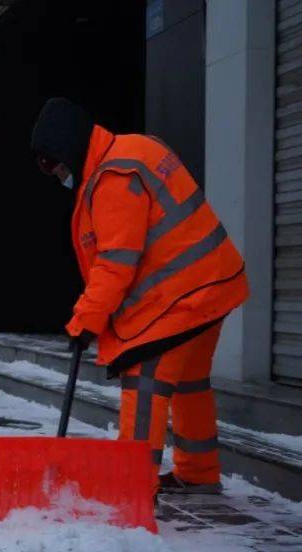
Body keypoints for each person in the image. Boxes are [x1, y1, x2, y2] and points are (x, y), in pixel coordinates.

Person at [31, 97, 249, 494]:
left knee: (144, 382)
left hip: (184, 296)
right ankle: (198, 473)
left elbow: (116, 261)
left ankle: (132, 487)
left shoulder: (114, 177)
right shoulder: (135, 147)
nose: (59, 175)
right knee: (189, 383)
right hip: (212, 283)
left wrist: (85, 321)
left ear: (70, 148)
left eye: (55, 164)